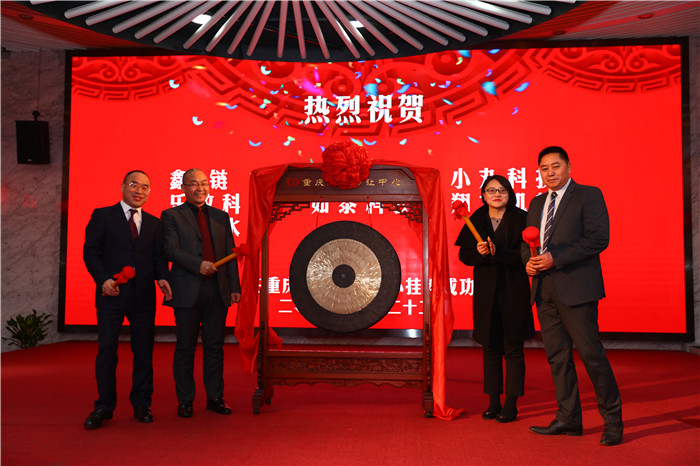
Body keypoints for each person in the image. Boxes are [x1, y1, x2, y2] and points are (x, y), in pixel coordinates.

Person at [522, 146, 623, 446]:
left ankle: (613, 421)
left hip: (577, 288)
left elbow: (598, 239)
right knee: (557, 357)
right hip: (544, 289)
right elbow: (528, 244)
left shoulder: (588, 195)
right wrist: (528, 262)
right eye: (544, 168)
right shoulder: (537, 202)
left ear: (568, 166)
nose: (550, 172)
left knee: (591, 355)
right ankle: (568, 418)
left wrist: (556, 258)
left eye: (555, 166)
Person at [82, 170, 172, 429]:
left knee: (143, 351)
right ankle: (104, 406)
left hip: (143, 296)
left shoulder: (154, 223)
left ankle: (142, 403)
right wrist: (103, 279)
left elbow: (158, 257)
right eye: (134, 184)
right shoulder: (103, 215)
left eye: (145, 187)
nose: (139, 190)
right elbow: (91, 252)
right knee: (107, 350)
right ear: (122, 186)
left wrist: (163, 277)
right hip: (111, 293)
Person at [161, 168, 241, 418]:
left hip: (217, 290)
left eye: (204, 183)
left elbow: (230, 252)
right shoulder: (171, 216)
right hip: (186, 290)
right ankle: (185, 400)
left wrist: (234, 287)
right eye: (194, 184)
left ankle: (215, 397)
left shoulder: (221, 216)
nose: (200, 188)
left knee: (215, 347)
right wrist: (198, 265)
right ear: (183, 188)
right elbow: (170, 250)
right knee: (185, 348)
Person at [455, 175, 534, 423]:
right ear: (483, 195)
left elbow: (527, 255)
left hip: (515, 290)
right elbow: (464, 256)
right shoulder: (476, 219)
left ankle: (511, 403)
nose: (497, 194)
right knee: (490, 348)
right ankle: (493, 402)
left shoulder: (522, 218)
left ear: (510, 193)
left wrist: (499, 253)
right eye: (491, 190)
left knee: (513, 349)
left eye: (502, 190)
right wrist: (479, 253)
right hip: (486, 293)